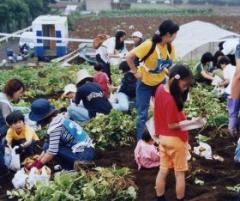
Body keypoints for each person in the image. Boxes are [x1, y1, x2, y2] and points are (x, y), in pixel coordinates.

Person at [126, 20, 179, 141]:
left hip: (160, 83)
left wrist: (173, 75)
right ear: (168, 34)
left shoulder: (170, 47)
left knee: (163, 110)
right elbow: (128, 56)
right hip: (145, 83)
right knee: (142, 114)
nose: (176, 36)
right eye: (175, 34)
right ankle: (141, 142)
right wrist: (135, 72)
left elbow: (167, 65)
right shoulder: (149, 45)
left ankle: (161, 136)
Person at [154, 65, 193, 201]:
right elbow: (172, 125)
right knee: (179, 174)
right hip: (176, 140)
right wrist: (191, 123)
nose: (186, 88)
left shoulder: (160, 89)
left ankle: (160, 198)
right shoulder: (171, 100)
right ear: (176, 80)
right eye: (184, 84)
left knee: (163, 170)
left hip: (162, 139)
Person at [28, 98, 95, 169]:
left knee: (53, 149)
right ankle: (67, 165)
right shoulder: (60, 117)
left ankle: (69, 167)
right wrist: (37, 161)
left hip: (83, 156)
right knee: (47, 145)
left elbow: (51, 152)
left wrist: (37, 167)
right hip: (88, 149)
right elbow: (47, 146)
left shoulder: (55, 127)